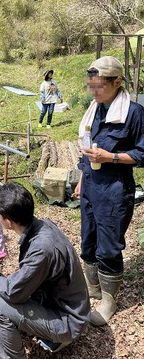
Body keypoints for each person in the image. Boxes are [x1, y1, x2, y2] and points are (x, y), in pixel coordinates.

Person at [0, 182, 90, 358]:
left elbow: (12, 293)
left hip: (68, 321)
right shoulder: (42, 226)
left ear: (8, 222)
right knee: (6, 291)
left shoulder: (41, 250)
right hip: (63, 304)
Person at [75, 56, 144, 326]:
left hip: (114, 189)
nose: (93, 92)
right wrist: (82, 177)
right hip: (91, 183)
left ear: (117, 82)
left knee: (109, 247)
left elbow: (142, 153)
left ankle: (108, 300)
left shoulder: (134, 113)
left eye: (98, 87)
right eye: (90, 87)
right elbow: (87, 145)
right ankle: (92, 287)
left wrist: (111, 157)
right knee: (88, 239)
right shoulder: (96, 108)